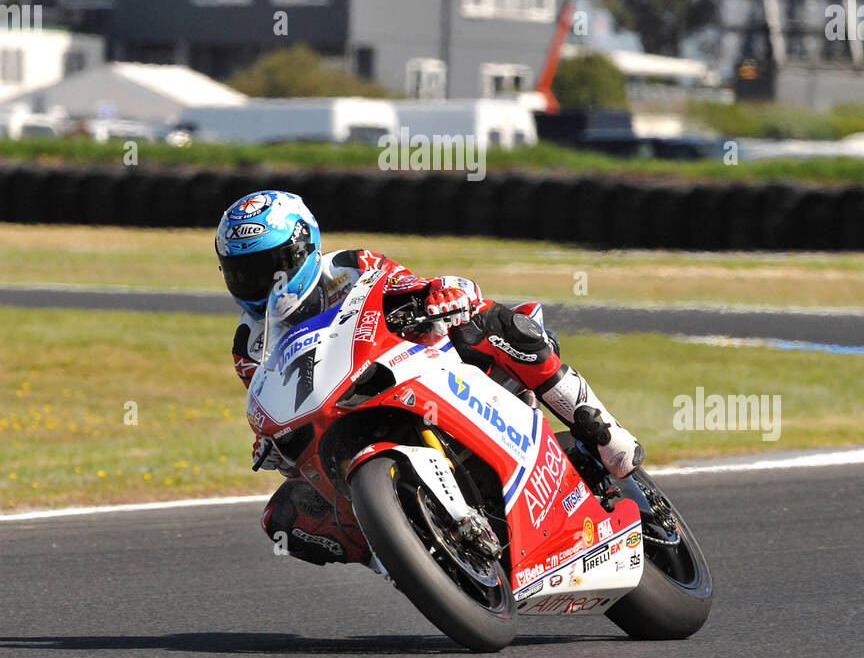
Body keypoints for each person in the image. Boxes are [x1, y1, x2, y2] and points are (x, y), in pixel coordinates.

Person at [216, 190, 643, 569]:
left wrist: (438, 294)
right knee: (286, 519)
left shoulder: (348, 268)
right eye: (243, 272)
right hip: (342, 414)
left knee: (493, 323)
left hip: (416, 364)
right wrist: (272, 440)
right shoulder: (248, 344)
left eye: (271, 266)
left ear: (305, 246)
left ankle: (602, 428)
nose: (261, 283)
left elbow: (402, 283)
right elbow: (275, 398)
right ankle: (401, 555)